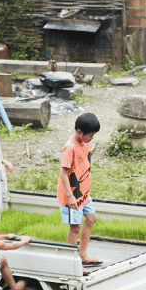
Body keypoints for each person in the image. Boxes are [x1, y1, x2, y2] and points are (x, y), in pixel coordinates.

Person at [56, 111, 100, 263]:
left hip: (83, 194)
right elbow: (63, 173)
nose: (91, 138)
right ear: (79, 132)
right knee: (74, 228)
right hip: (72, 196)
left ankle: (83, 255)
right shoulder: (70, 147)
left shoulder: (85, 143)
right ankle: (71, 262)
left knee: (91, 218)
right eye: (90, 135)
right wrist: (70, 196)